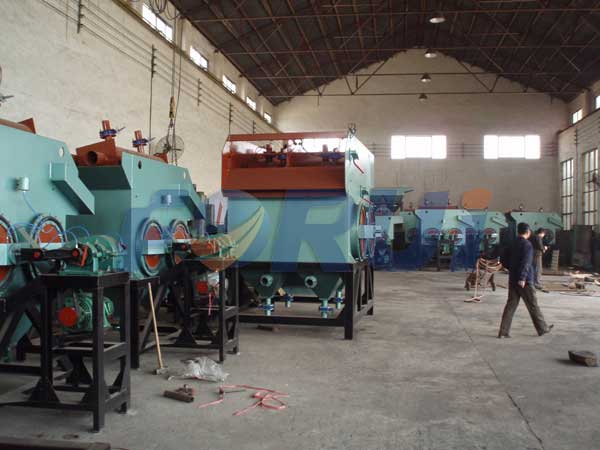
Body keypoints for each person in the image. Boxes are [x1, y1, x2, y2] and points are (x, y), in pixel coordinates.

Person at [498, 222, 553, 338]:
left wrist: (512, 269)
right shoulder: (527, 245)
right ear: (528, 232)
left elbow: (503, 259)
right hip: (525, 281)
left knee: (510, 306)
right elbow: (526, 262)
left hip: (513, 279)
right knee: (533, 305)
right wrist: (522, 277)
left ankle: (503, 332)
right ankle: (543, 329)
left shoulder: (512, 243)